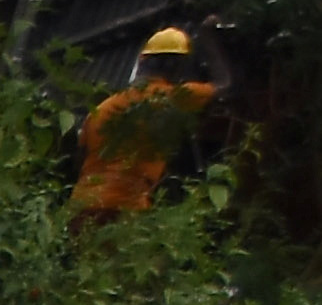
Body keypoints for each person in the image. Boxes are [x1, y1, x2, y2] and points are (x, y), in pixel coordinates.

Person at [69, 28, 216, 219]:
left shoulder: (101, 109)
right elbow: (227, 85)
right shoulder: (176, 97)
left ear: (141, 62)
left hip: (81, 206)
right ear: (177, 67)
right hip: (123, 208)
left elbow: (79, 160)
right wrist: (209, 36)